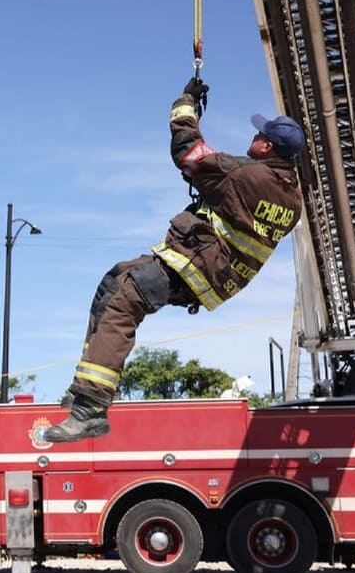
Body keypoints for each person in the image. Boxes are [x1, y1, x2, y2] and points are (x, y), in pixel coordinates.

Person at [43, 77, 305, 442]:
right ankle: (86, 388)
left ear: (266, 145)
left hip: (196, 266)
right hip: (219, 277)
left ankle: (90, 409)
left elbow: (187, 150)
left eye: (259, 134)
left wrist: (185, 103)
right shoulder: (292, 200)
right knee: (114, 281)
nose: (253, 137)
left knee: (124, 298)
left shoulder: (244, 175)